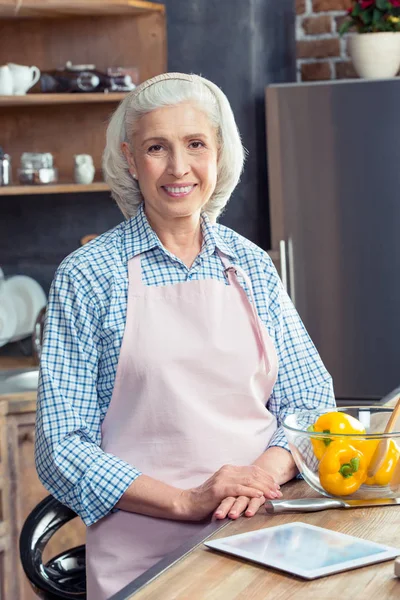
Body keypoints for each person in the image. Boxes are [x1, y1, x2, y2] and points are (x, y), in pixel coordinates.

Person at [35, 72, 336, 599]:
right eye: (157, 148)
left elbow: (310, 397)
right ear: (131, 159)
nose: (179, 168)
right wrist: (187, 500)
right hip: (148, 562)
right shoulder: (89, 275)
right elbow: (61, 447)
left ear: (218, 152)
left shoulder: (251, 265)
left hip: (263, 536)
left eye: (195, 144)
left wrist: (262, 472)